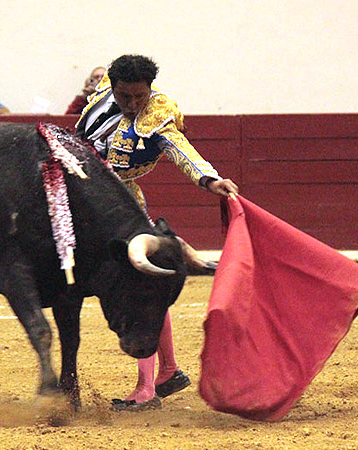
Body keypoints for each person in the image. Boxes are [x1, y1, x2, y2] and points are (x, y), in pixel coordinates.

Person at [76, 54, 239, 411]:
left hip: (120, 207)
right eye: (125, 97)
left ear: (150, 90)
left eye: (140, 97)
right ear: (112, 86)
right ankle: (167, 370)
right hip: (79, 198)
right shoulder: (105, 89)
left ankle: (147, 387)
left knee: (142, 280)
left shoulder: (158, 116)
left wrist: (208, 179)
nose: (134, 105)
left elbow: (182, 150)